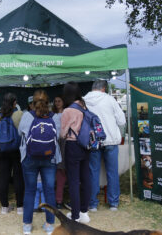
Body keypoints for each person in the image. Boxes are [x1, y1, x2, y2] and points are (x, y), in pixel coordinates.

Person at [18, 90, 62, 235]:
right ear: (48, 102)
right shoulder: (55, 117)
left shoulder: (26, 116)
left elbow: (20, 133)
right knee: (49, 190)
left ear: (33, 102)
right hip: (50, 158)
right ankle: (50, 225)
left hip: (29, 158)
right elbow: (59, 136)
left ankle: (27, 225)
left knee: (30, 190)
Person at [83, 80, 126, 212]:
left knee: (92, 172)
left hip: (93, 140)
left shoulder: (84, 100)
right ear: (103, 88)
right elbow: (122, 120)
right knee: (112, 172)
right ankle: (113, 203)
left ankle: (93, 203)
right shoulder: (109, 99)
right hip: (111, 140)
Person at [60, 82, 91, 224]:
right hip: (85, 145)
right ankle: (84, 212)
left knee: (73, 181)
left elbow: (62, 133)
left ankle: (75, 215)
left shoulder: (68, 111)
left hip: (72, 145)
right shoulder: (84, 107)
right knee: (85, 178)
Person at [0, 93, 24, 215]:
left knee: (4, 177)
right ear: (15, 102)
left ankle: (4, 207)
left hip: (2, 150)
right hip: (16, 150)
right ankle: (20, 207)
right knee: (18, 177)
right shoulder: (19, 114)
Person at [52, 95, 66, 209]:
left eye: (59, 101)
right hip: (54, 144)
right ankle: (57, 199)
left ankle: (60, 199)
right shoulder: (52, 115)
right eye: (56, 101)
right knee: (57, 172)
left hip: (64, 143)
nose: (57, 103)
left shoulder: (66, 113)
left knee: (62, 171)